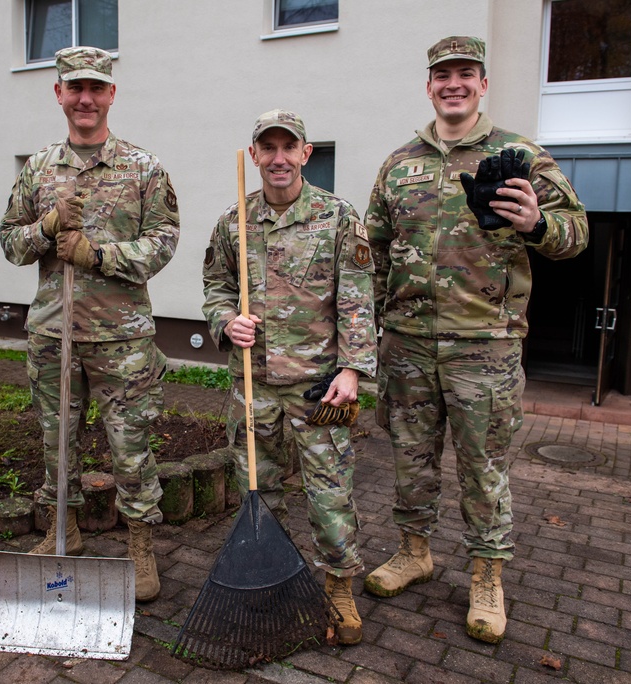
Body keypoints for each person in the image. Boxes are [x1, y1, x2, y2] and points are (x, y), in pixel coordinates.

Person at [364, 36, 588, 644]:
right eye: (443, 75)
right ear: (429, 85)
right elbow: (373, 252)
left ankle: (487, 575)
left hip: (484, 346)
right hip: (407, 343)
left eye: (466, 74)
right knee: (409, 461)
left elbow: (576, 234)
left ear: (483, 83)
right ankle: (415, 551)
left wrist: (536, 223)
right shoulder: (399, 163)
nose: (453, 84)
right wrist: (374, 327)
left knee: (483, 469)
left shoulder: (522, 156)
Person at [0, 46, 179, 602]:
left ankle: (140, 546)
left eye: (95, 88)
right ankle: (65, 531)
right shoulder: (38, 167)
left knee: (131, 448)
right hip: (54, 333)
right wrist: (47, 227)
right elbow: (10, 243)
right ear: (58, 94)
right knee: (58, 445)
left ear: (111, 95)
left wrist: (96, 255)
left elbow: (162, 244)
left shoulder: (144, 168)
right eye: (74, 88)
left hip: (121, 338)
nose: (85, 98)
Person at [202, 109, 377, 645]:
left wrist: (352, 370)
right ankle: (270, 579)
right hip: (254, 389)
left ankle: (340, 586)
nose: (278, 158)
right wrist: (225, 320)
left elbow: (357, 299)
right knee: (260, 492)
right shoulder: (235, 221)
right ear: (253, 155)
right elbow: (214, 287)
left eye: (289, 147)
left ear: (305, 153)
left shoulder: (337, 217)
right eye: (267, 147)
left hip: (318, 387)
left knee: (330, 496)